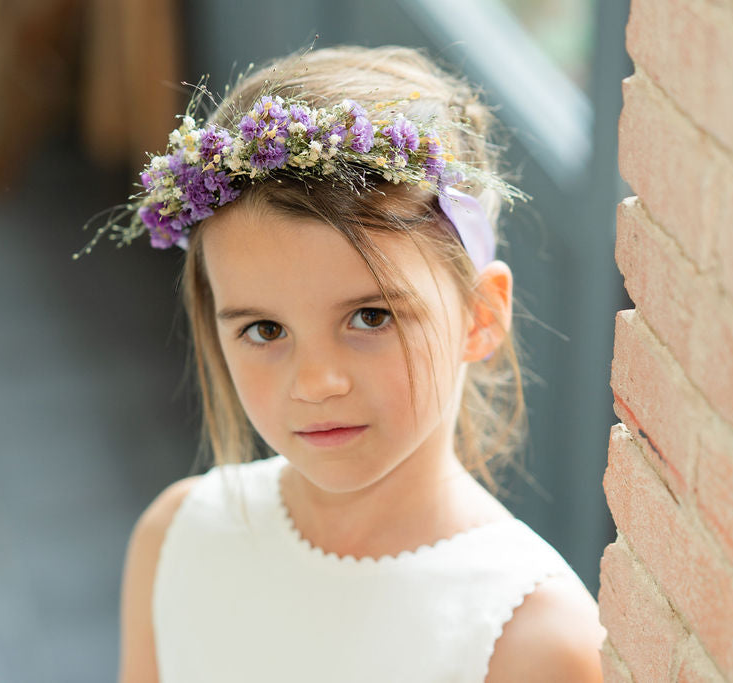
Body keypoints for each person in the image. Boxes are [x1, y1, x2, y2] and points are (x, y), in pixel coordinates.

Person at [95, 45, 606, 682]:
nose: (316, 383)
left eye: (371, 317)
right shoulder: (175, 538)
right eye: (265, 328)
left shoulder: (536, 639)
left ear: (479, 316)